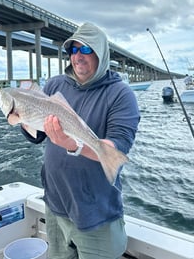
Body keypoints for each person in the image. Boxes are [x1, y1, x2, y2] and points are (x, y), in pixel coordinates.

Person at [10, 22, 140, 259]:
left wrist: (74, 144)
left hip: (97, 216)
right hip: (55, 206)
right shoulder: (55, 84)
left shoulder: (121, 94)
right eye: (74, 50)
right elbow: (37, 136)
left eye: (87, 50)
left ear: (101, 52)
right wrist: (21, 116)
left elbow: (116, 148)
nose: (78, 56)